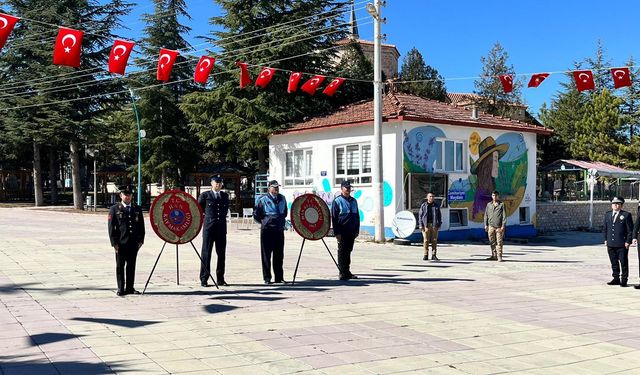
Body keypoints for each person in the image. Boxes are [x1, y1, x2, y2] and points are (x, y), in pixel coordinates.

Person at [108, 185, 145, 296]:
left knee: (131, 266)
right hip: (121, 244)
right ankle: (120, 288)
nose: (127, 197)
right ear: (121, 195)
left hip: (133, 243)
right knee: (120, 266)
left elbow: (141, 226)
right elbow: (111, 227)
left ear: (132, 196)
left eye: (129, 195)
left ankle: (130, 287)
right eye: (125, 195)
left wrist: (140, 240)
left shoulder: (137, 209)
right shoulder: (114, 209)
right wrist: (114, 243)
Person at [198, 175, 230, 287]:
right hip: (209, 228)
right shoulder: (205, 195)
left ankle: (220, 279)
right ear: (211, 183)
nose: (218, 184)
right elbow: (199, 210)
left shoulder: (225, 196)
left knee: (221, 254)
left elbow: (225, 210)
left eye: (220, 182)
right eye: (216, 182)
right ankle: (204, 279)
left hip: (221, 228)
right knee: (206, 253)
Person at [253, 180, 288, 284]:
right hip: (267, 230)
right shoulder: (262, 199)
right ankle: (267, 278)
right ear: (269, 188)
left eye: (277, 187)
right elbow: (256, 214)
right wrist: (265, 222)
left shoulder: (282, 198)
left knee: (279, 255)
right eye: (274, 187)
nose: (276, 189)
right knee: (266, 255)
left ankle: (279, 277)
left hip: (279, 230)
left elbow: (285, 212)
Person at [331, 180, 360, 280]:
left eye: (349, 188)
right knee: (342, 252)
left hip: (351, 231)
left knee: (348, 251)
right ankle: (342, 272)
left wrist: (357, 230)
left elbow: (357, 216)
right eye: (346, 188)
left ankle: (347, 271)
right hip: (342, 231)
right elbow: (334, 218)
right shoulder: (337, 201)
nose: (348, 189)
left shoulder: (354, 201)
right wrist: (337, 233)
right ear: (341, 189)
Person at [605, 196, 633, 287]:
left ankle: (624, 279)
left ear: (621, 205)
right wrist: (605, 239)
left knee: (623, 262)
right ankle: (616, 278)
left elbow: (630, 230)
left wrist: (628, 241)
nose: (615, 205)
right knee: (614, 262)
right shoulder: (608, 214)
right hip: (611, 243)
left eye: (618, 204)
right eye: (614, 203)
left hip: (622, 243)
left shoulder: (626, 215)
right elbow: (605, 228)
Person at [418, 192, 442, 261]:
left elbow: (439, 216)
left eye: (433, 196)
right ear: (427, 197)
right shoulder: (423, 205)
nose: (432, 198)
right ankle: (425, 255)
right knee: (426, 240)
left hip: (434, 225)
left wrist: (439, 224)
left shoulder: (436, 205)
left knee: (434, 240)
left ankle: (434, 255)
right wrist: (420, 225)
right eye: (430, 196)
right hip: (426, 225)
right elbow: (420, 216)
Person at [484, 190, 506, 262]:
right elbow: (486, 215)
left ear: (498, 196)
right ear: (491, 196)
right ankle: (494, 255)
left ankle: (499, 256)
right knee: (492, 241)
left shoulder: (502, 205)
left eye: (496, 195)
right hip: (491, 226)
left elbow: (504, 216)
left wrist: (503, 226)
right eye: (493, 195)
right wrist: (485, 225)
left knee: (499, 242)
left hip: (499, 227)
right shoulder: (489, 205)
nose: (494, 197)